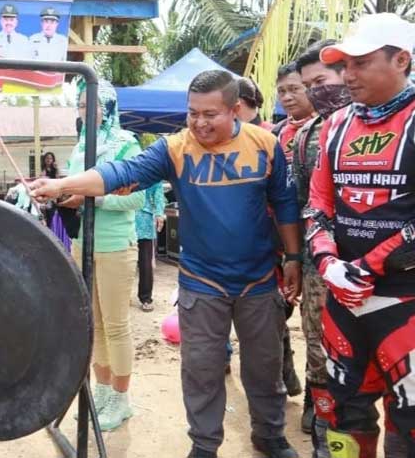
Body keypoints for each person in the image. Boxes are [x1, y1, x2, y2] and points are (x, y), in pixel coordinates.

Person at [31, 70, 302, 458]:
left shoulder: (266, 144)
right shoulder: (174, 148)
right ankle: (204, 445)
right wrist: (62, 185)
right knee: (201, 370)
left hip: (257, 280)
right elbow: (121, 173)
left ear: (235, 109)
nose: (199, 122)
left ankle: (270, 435)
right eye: (193, 113)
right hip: (201, 281)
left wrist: (292, 256)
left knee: (264, 366)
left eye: (210, 114)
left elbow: (287, 204)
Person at [305, 13, 415, 457]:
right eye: (344, 64)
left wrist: (368, 266)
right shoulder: (335, 125)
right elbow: (318, 204)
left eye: (361, 63)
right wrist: (328, 263)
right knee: (340, 412)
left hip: (405, 301)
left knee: (408, 420)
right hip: (343, 302)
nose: (347, 75)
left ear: (402, 60)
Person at [61, 78, 145, 431]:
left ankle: (121, 398)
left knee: (116, 325)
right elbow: (71, 189)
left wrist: (92, 199)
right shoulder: (80, 147)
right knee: (92, 325)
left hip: (115, 246)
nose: (83, 112)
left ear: (107, 106)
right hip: (83, 244)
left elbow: (136, 199)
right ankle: (102, 389)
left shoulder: (126, 145)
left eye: (90, 105)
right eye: (80, 105)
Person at [291, 39, 352, 457]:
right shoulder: (307, 135)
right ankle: (325, 438)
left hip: (382, 266)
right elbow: (298, 203)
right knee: (318, 346)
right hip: (318, 265)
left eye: (322, 80)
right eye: (309, 84)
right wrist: (292, 257)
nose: (318, 91)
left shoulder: (397, 123)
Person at [274, 62, 312, 403]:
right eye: (282, 91)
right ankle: (286, 377)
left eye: (294, 89)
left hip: (318, 245)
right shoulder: (274, 136)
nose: (287, 97)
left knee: (317, 326)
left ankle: (317, 403)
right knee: (276, 313)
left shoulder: (329, 130)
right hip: (280, 245)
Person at [135, 181, 166, 312]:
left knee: (144, 262)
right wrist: (159, 213)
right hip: (133, 219)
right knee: (144, 261)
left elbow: (158, 190)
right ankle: (145, 298)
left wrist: (159, 213)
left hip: (141, 220)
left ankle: (146, 297)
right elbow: (158, 192)